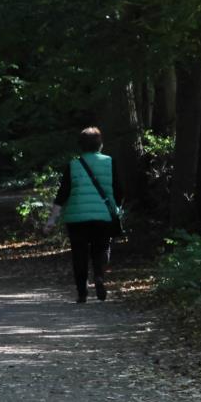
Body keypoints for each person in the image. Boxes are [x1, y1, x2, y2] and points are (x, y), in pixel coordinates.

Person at [43, 126, 124, 303]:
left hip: (76, 218)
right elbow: (118, 191)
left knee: (79, 254)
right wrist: (116, 208)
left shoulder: (73, 166)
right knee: (101, 249)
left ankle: (82, 293)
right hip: (103, 217)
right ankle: (100, 277)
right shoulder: (110, 162)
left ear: (81, 146)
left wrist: (52, 219)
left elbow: (62, 194)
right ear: (100, 144)